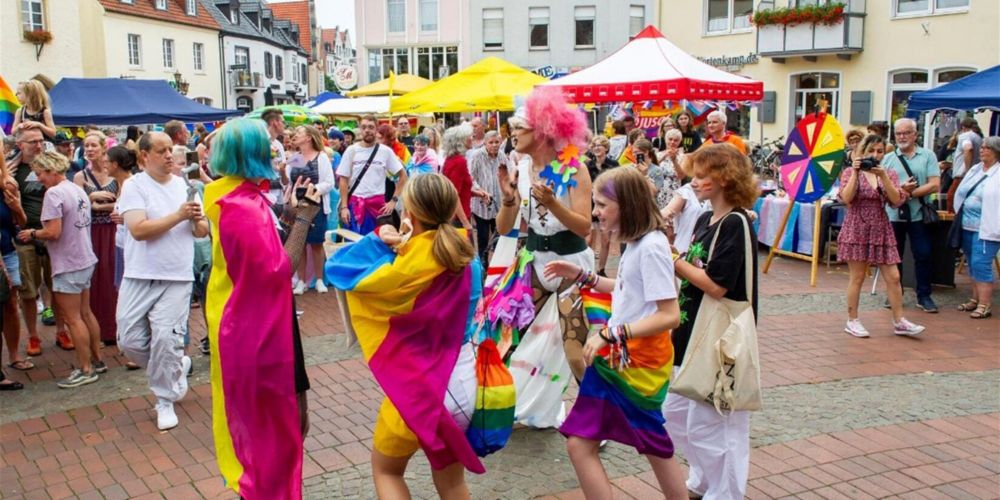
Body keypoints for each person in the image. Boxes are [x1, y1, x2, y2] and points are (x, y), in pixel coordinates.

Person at [327, 173, 484, 499]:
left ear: (410, 212)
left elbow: (340, 268)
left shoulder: (403, 262)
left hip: (419, 388)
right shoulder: (468, 258)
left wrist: (376, 240)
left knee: (387, 470)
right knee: (453, 483)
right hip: (465, 385)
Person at [545, 166, 687, 500]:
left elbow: (670, 315)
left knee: (640, 443)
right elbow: (626, 290)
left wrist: (611, 334)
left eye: (601, 205)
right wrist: (582, 275)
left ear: (627, 204)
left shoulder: (651, 247)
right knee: (589, 444)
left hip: (635, 363)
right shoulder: (639, 243)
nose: (594, 213)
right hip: (624, 361)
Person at [203, 119, 308, 499]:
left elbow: (261, 251)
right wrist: (306, 219)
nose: (275, 147)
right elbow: (280, 269)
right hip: (260, 331)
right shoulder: (241, 206)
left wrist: (289, 215)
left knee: (286, 426)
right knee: (274, 433)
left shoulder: (237, 197)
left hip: (263, 323)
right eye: (267, 144)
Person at [663, 144, 759, 499]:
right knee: (678, 416)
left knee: (718, 427)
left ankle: (725, 492)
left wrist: (673, 258)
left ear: (723, 179)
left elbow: (717, 285)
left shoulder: (736, 222)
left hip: (719, 340)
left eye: (703, 174)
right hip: (691, 334)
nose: (696, 180)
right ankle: (703, 480)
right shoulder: (706, 219)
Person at [496, 86, 594, 384]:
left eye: (519, 127)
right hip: (535, 263)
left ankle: (596, 416)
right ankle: (513, 403)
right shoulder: (521, 169)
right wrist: (509, 198)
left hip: (571, 266)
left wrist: (553, 204)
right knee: (511, 337)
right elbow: (503, 229)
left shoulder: (574, 169)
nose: (513, 132)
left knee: (576, 352)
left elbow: (585, 227)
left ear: (542, 130)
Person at [117, 131, 207, 430]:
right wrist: (180, 216)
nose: (170, 155)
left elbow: (201, 231)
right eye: (161, 150)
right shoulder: (134, 186)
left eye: (171, 150)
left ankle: (165, 399)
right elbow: (139, 229)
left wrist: (195, 219)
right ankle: (175, 368)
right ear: (144, 156)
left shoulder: (186, 186)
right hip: (139, 273)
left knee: (167, 339)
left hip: (176, 274)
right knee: (129, 341)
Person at [16, 152, 103, 388]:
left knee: (73, 318)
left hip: (68, 261)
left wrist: (32, 233)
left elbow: (53, 232)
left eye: (41, 173)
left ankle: (86, 369)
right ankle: (98, 360)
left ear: (52, 170)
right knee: (86, 313)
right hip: (84, 257)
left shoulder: (54, 193)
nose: (38, 178)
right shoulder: (76, 189)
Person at [837, 134, 925, 338]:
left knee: (894, 277)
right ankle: (852, 320)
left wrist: (884, 176)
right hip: (856, 225)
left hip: (881, 226)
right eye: (871, 151)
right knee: (857, 277)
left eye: (879, 151)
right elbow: (847, 198)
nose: (875, 155)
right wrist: (856, 171)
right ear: (862, 152)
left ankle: (899, 321)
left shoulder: (889, 173)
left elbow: (896, 201)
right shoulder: (850, 171)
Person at [10, 128, 69, 354]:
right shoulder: (14, 170)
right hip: (25, 236)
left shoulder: (52, 167)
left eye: (41, 141)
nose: (38, 145)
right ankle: (33, 337)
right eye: (32, 141)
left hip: (53, 235)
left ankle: (61, 331)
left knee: (58, 286)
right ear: (20, 145)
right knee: (28, 290)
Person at [882, 118, 941, 313]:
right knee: (894, 257)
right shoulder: (889, 158)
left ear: (915, 135)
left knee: (923, 254)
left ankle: (924, 295)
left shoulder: (927, 155)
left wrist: (908, 194)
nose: (902, 137)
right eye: (898, 133)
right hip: (893, 215)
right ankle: (894, 294)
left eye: (906, 133)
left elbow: (934, 184)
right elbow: (882, 187)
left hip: (918, 215)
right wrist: (900, 192)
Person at [71, 131, 120, 346]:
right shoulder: (80, 176)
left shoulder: (115, 173)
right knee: (95, 279)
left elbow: (123, 202)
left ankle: (117, 329)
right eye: (86, 146)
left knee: (114, 276)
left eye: (93, 145)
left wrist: (104, 205)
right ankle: (98, 330)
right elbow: (77, 207)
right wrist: (92, 199)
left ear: (103, 148)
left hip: (113, 229)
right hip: (91, 232)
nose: (89, 149)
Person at [953, 136, 1000, 320]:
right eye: (982, 147)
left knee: (981, 264)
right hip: (967, 225)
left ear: (996, 151)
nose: (982, 150)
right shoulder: (975, 169)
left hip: (988, 227)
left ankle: (985, 304)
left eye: (987, 148)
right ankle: (975, 298)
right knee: (972, 263)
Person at [337, 115, 408, 235]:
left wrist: (393, 201)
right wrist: (344, 207)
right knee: (355, 245)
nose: (367, 130)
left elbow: (403, 176)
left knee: (377, 245)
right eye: (364, 127)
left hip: (378, 207)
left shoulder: (385, 151)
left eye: (371, 127)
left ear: (376, 129)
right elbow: (343, 180)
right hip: (355, 205)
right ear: (360, 129)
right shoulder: (351, 150)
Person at [288, 126, 335, 295]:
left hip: (316, 204)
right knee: (299, 242)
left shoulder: (321, 157)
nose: (295, 135)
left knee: (316, 242)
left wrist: (311, 188)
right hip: (297, 205)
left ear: (308, 138)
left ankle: (319, 279)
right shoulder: (295, 158)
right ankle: (301, 281)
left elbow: (329, 182)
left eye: (299, 133)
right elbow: (287, 181)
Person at [1, 140, 34, 375]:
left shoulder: (7, 185)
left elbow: (20, 225)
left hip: (7, 252)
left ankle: (13, 354)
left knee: (11, 305)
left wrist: (17, 208)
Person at [468, 130, 506, 264]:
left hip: (498, 204)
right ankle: (482, 262)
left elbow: (508, 173)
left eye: (497, 142)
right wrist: (481, 191)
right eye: (491, 142)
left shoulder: (501, 156)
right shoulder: (477, 156)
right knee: (483, 237)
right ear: (485, 143)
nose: (494, 145)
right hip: (481, 205)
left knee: (498, 234)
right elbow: (470, 178)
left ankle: (496, 261)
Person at [586, 135, 619, 275]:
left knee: (606, 239)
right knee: (588, 239)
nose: (597, 148)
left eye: (600, 145)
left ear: (606, 148)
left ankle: (601, 270)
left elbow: (618, 185)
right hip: (589, 205)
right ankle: (587, 269)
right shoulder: (587, 166)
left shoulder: (614, 165)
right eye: (594, 145)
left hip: (606, 205)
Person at [440, 125, 475, 231]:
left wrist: (476, 193)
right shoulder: (459, 162)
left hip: (454, 215)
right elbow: (454, 194)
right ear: (461, 141)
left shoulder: (451, 159)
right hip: (458, 218)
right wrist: (465, 223)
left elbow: (453, 187)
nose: (472, 138)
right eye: (469, 136)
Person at [633, 139, 675, 210]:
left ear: (646, 152)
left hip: (649, 208)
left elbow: (653, 193)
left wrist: (645, 175)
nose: (634, 155)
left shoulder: (656, 170)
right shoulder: (631, 168)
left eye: (636, 152)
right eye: (633, 153)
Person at [261, 108, 288, 215]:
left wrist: (282, 171)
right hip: (264, 194)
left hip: (279, 195)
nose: (284, 125)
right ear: (274, 123)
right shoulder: (261, 142)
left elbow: (283, 174)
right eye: (283, 121)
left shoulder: (278, 145)